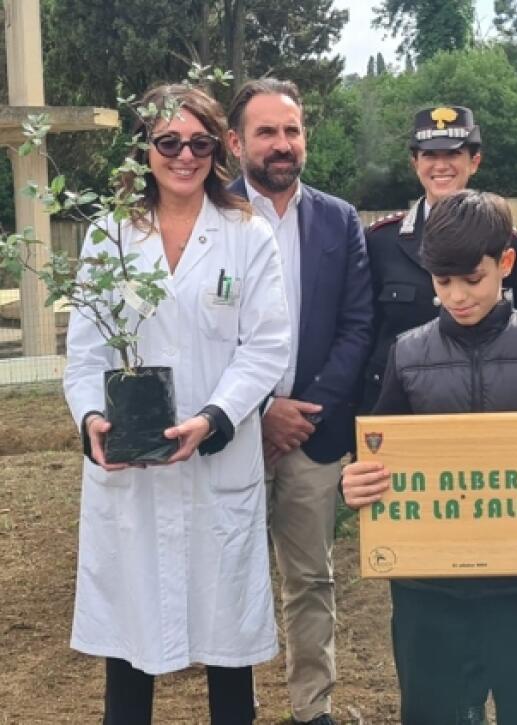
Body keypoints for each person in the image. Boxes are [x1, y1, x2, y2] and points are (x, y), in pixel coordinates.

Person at [62, 84, 290, 724]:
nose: (184, 156)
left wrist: (214, 419)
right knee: (130, 647)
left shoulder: (247, 234)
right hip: (132, 470)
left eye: (199, 142)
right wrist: (92, 420)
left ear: (219, 150)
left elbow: (267, 345)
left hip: (215, 464)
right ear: (145, 149)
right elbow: (85, 355)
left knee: (227, 650)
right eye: (168, 142)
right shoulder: (109, 235)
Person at [341, 190, 517, 725]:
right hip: (428, 589)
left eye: (472, 279)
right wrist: (356, 482)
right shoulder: (407, 354)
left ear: (505, 263)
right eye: (443, 282)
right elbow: (381, 448)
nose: (457, 296)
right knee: (431, 710)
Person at [226, 78, 373, 725]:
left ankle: (313, 707)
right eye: (266, 132)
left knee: (311, 578)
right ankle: (236, 704)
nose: (282, 144)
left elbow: (357, 326)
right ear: (236, 143)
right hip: (231, 432)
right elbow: (201, 334)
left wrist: (300, 413)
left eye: (291, 130)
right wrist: (259, 412)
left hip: (312, 435)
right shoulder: (210, 216)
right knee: (231, 576)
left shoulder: (339, 219)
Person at [360, 105, 517, 414]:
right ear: (415, 163)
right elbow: (367, 329)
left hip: (479, 398)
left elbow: (512, 321)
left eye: (453, 154)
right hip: (397, 401)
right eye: (430, 155)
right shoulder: (381, 239)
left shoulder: (504, 238)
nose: (441, 165)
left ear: (474, 162)